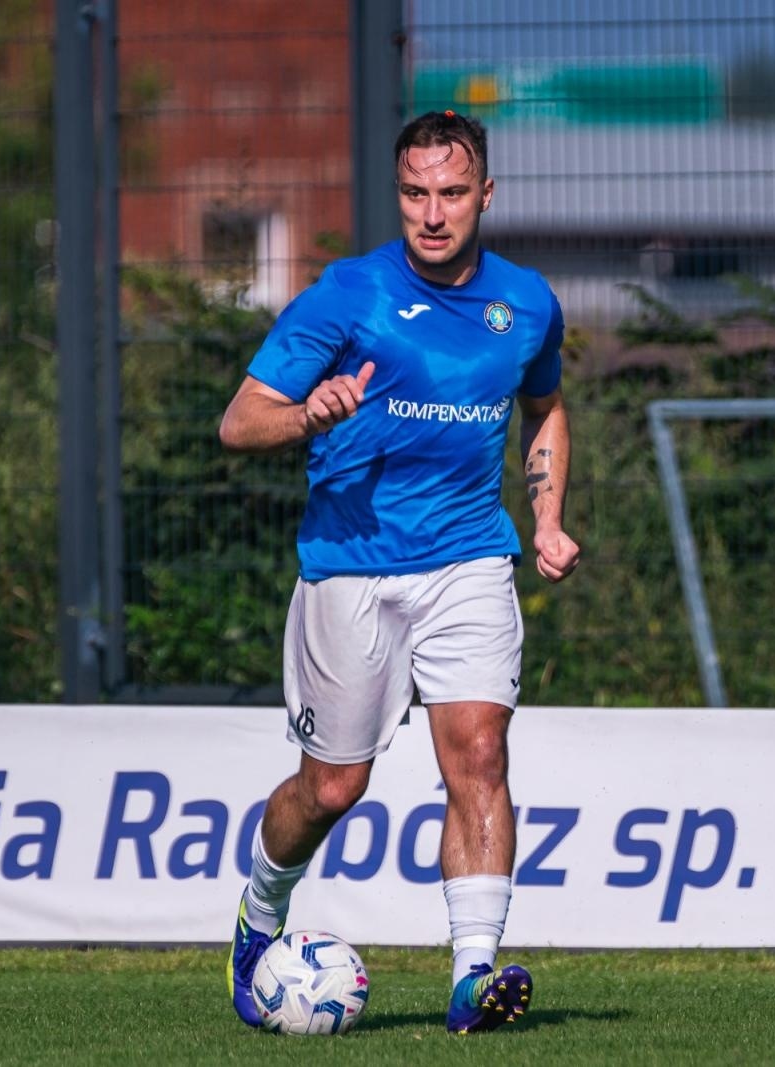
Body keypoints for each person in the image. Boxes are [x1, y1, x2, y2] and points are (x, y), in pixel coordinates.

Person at [216, 109, 579, 1034]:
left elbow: (544, 407)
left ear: (484, 196)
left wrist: (546, 516)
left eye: (452, 193)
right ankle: (259, 921)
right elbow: (239, 421)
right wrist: (311, 413)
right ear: (399, 195)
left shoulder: (527, 302)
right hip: (351, 565)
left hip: (469, 557)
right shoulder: (348, 295)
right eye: (416, 192)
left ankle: (474, 977)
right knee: (333, 787)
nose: (432, 212)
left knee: (480, 753)